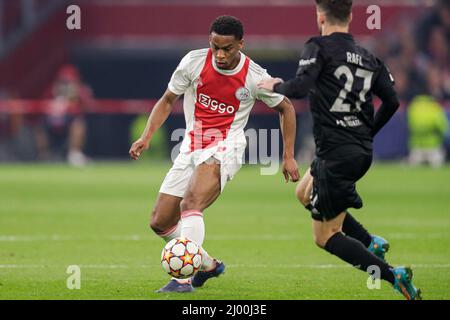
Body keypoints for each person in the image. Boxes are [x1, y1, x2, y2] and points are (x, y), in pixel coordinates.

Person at [258, 0, 421, 300]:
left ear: (320, 16)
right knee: (303, 193)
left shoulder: (318, 47)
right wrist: (366, 132)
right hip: (356, 150)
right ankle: (370, 241)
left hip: (335, 152)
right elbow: (393, 102)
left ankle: (392, 275)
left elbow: (301, 86)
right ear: (351, 16)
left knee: (325, 237)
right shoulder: (368, 56)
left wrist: (274, 85)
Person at [129, 15, 299, 293]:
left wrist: (288, 156)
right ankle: (207, 265)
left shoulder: (255, 77)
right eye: (215, 47)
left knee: (191, 202)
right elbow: (168, 99)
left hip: (227, 147)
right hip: (190, 146)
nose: (220, 55)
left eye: (227, 48)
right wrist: (146, 136)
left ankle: (182, 281)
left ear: (241, 44)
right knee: (159, 222)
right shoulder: (193, 61)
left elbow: (287, 107)